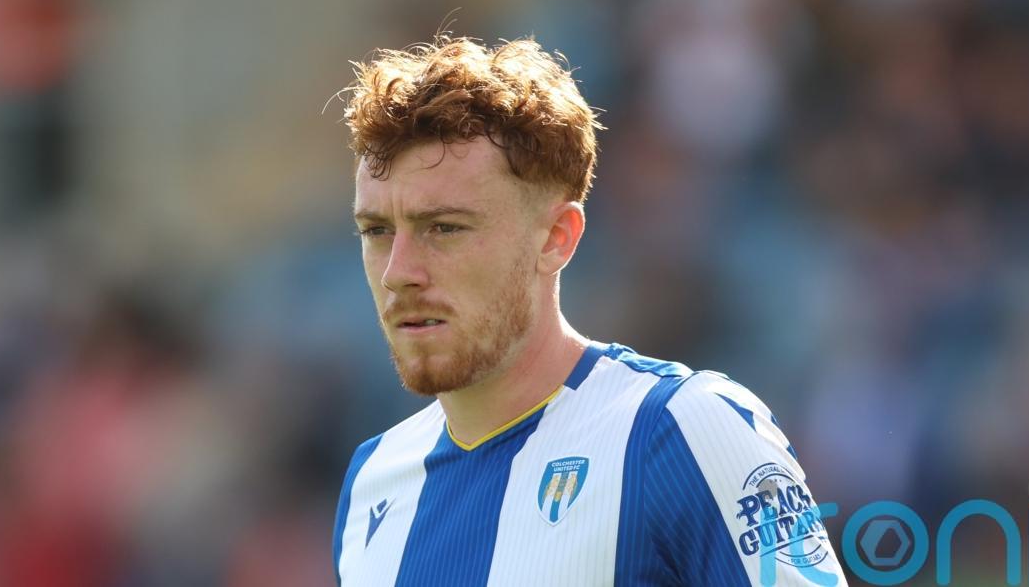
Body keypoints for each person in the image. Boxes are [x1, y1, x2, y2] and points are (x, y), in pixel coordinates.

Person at [332, 35, 847, 586]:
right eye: (377, 231)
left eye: (445, 228)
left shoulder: (680, 431)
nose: (398, 272)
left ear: (557, 237)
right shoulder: (373, 480)